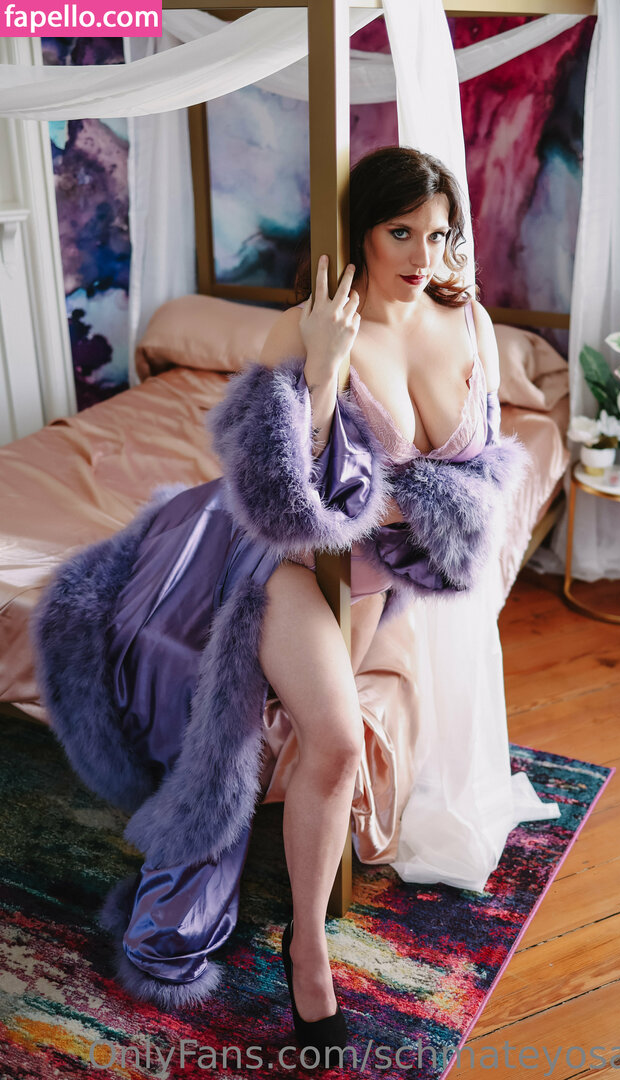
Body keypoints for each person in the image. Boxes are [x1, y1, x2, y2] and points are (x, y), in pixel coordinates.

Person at [31, 147, 526, 1056]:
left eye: (439, 233)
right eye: (401, 232)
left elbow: (482, 476)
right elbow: (279, 495)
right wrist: (327, 370)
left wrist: (425, 513)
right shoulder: (305, 328)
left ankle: (294, 885)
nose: (423, 255)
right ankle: (310, 953)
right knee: (335, 741)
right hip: (284, 557)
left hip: (377, 570)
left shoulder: (473, 323)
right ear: (361, 233)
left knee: (308, 730)